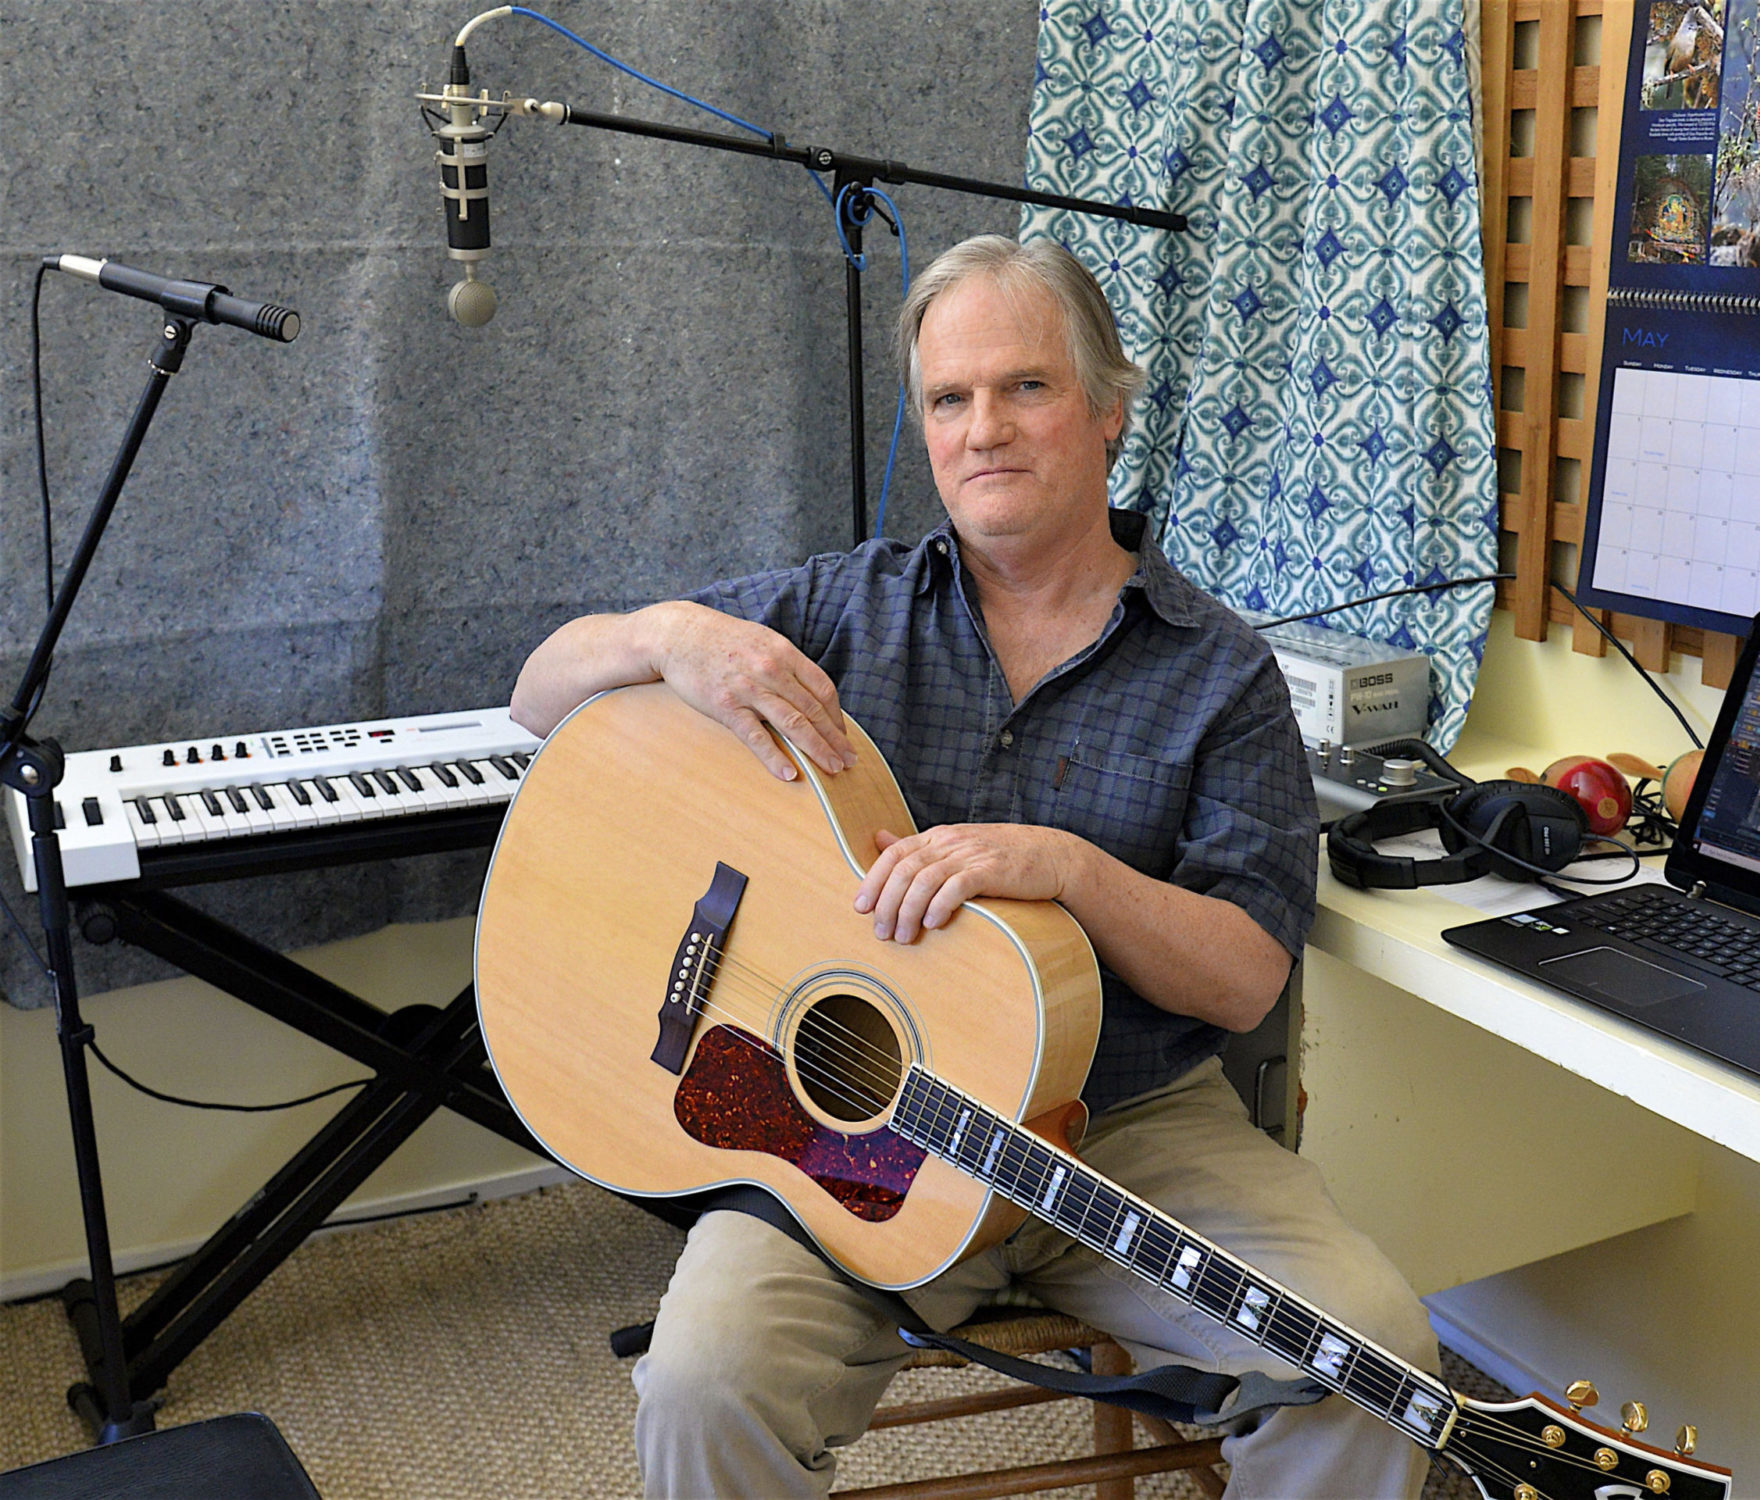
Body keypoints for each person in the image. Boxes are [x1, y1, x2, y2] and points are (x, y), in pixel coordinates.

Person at [510, 235, 1438, 1499]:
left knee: (1371, 1356)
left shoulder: (1219, 674)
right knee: (700, 1384)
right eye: (949, 399)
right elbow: (536, 693)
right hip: (856, 1132)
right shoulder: (846, 609)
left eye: (1025, 388)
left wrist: (1071, 871)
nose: (983, 429)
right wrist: (674, 637)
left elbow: (1241, 980)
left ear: (1109, 411)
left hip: (1122, 1129)